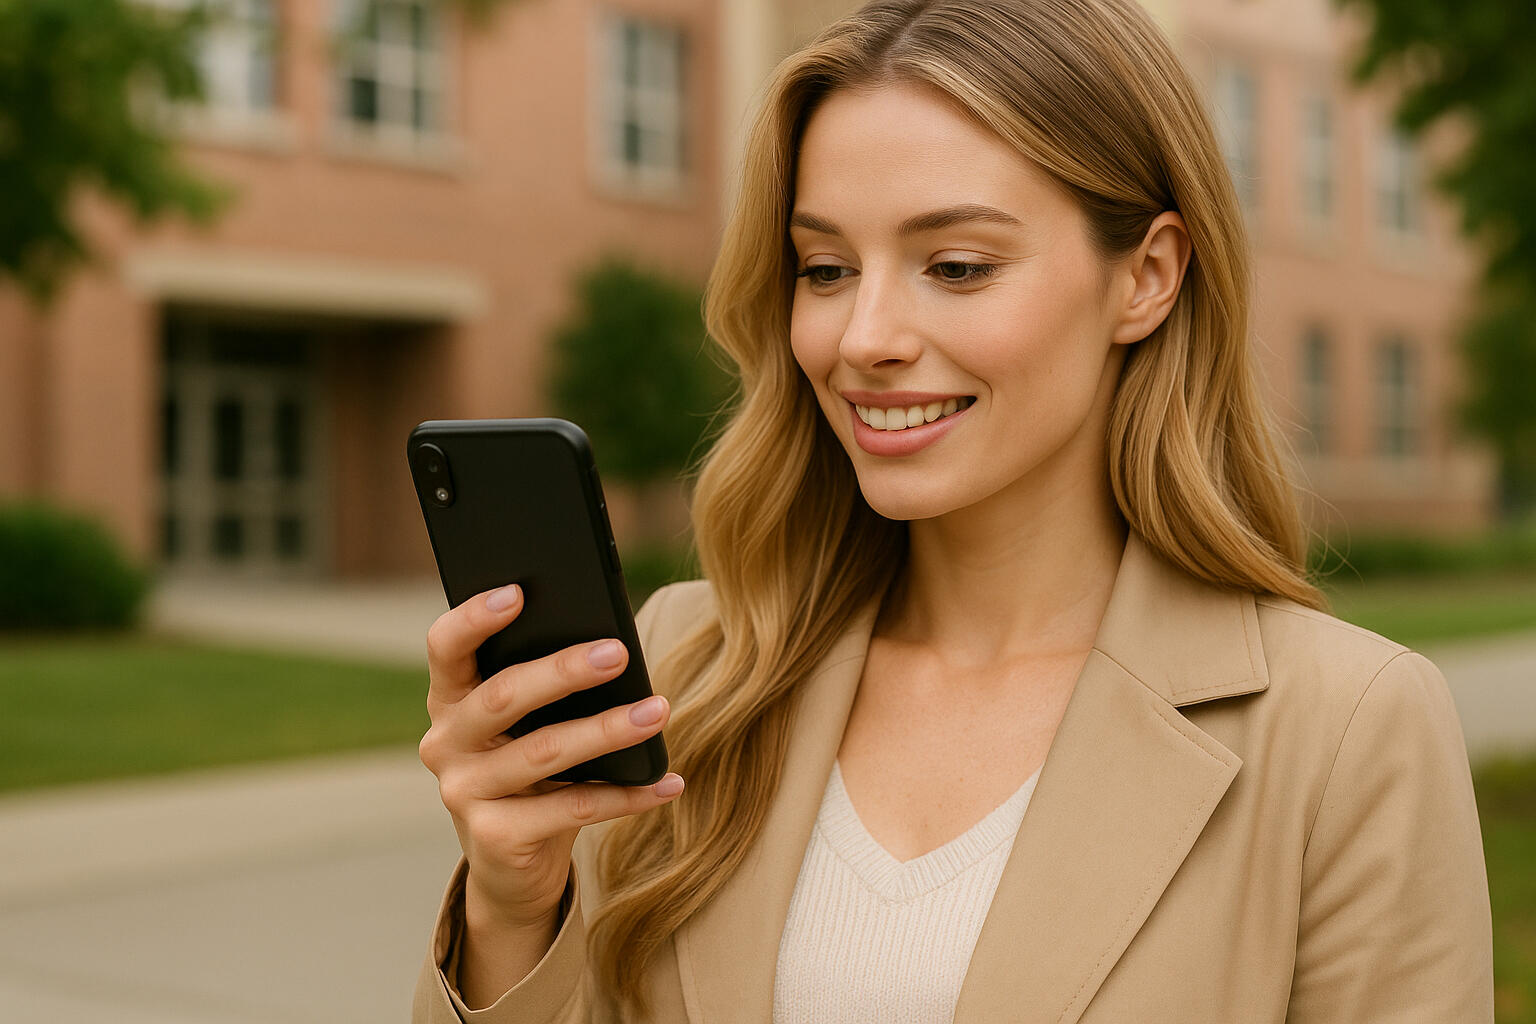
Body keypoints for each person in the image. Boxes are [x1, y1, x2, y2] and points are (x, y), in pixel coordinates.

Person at [412, 0, 1494, 1020]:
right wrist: (511, 910)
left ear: (1147, 277)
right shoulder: (687, 669)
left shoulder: (1348, 728)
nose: (863, 335)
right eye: (824, 266)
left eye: (958, 265)